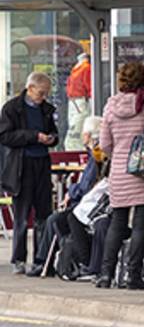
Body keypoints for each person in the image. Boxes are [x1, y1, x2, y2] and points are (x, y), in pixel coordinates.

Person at [96, 62, 144, 289]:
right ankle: (132, 276)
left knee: (117, 223)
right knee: (140, 226)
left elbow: (104, 144)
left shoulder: (110, 106)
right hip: (143, 170)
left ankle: (105, 275)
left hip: (118, 170)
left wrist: (118, 154)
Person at [29, 116, 105, 277]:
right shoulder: (93, 156)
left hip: (88, 206)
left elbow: (86, 186)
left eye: (84, 134)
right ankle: (46, 261)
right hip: (85, 203)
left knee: (55, 220)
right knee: (55, 219)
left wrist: (71, 192)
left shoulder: (97, 158)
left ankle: (45, 262)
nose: (82, 137)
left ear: (89, 135)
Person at [0, 71, 58, 274]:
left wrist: (51, 137)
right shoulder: (12, 109)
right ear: (30, 88)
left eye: (46, 94)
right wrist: (34, 136)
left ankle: (42, 259)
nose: (43, 97)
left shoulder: (46, 110)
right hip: (21, 165)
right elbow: (5, 136)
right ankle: (19, 258)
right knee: (22, 215)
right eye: (41, 93)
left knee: (44, 213)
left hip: (42, 163)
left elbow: (54, 131)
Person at [65, 53, 92, 150]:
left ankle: (76, 151)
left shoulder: (86, 68)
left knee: (76, 130)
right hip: (74, 101)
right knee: (74, 127)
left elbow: (89, 88)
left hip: (80, 101)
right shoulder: (78, 67)